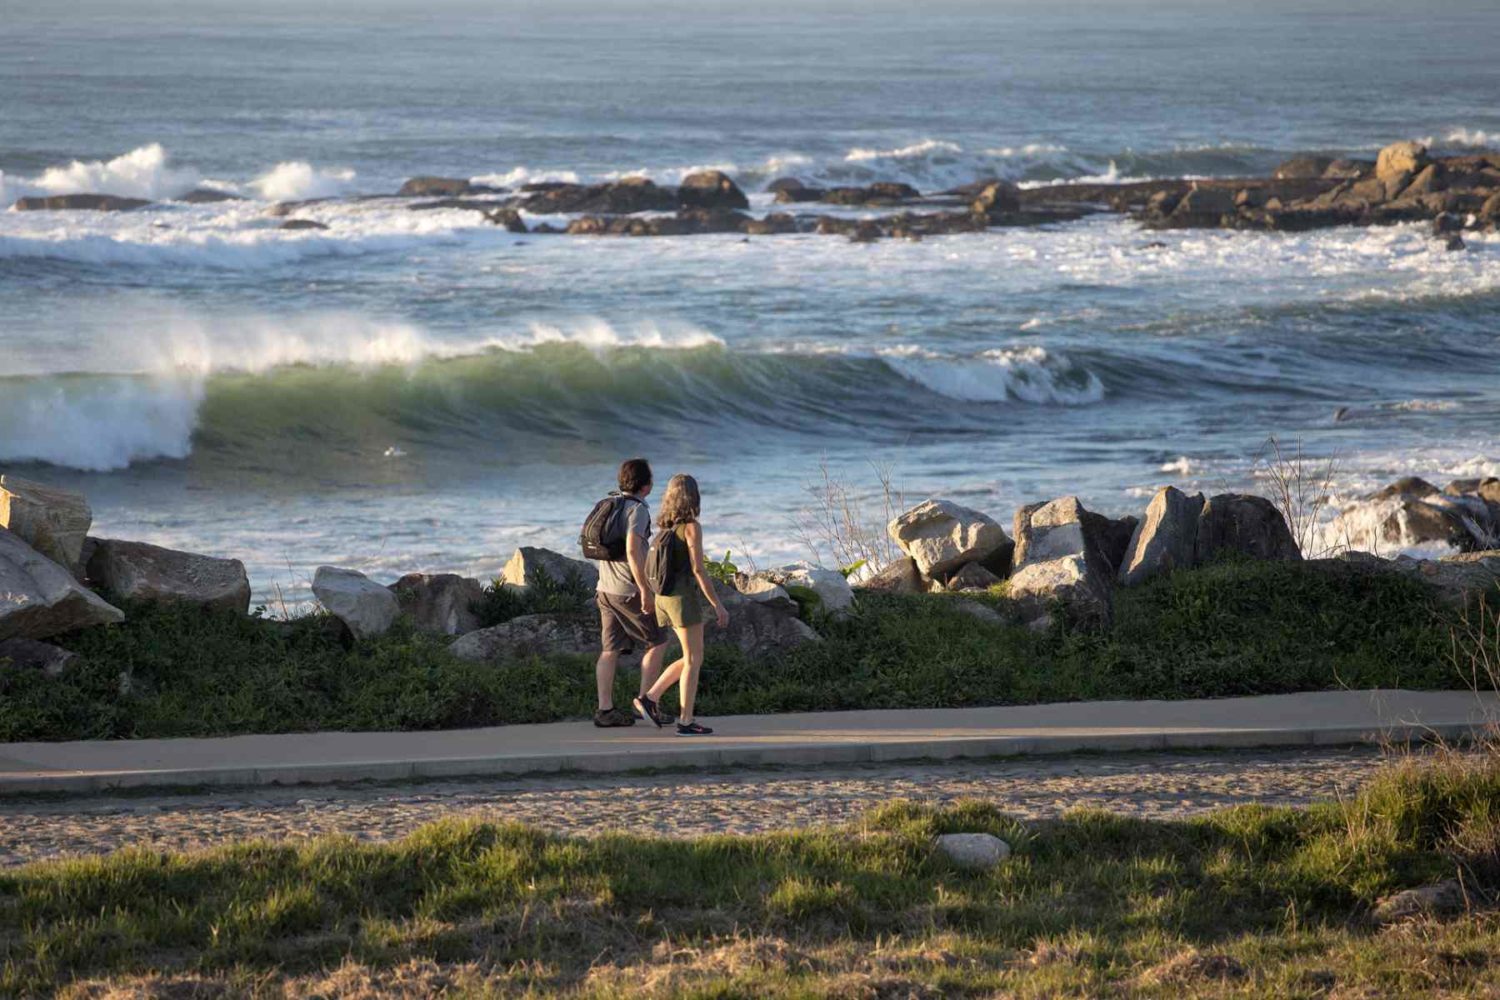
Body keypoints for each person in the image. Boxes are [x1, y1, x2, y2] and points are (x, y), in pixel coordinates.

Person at [633, 474, 729, 736]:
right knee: (694, 659)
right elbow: (698, 569)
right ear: (693, 496)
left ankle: (650, 698)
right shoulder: (691, 527)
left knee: (690, 657)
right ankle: (685, 721)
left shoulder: (665, 527)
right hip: (681, 599)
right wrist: (718, 604)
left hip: (662, 599)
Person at [592, 458, 669, 727]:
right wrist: (645, 590)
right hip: (627, 590)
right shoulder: (637, 510)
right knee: (658, 642)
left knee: (609, 650)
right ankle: (646, 704)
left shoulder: (608, 504)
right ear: (646, 486)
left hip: (604, 589)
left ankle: (605, 711)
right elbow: (634, 552)